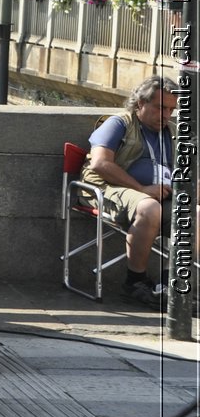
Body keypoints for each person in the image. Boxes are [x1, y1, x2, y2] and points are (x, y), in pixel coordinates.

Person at [81, 75, 178, 309]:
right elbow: (100, 164)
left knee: (192, 214)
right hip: (109, 188)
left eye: (171, 110)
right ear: (140, 104)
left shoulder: (172, 132)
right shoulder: (120, 124)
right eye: (160, 108)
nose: (166, 115)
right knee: (148, 207)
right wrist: (143, 189)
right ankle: (134, 282)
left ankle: (174, 284)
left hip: (161, 193)